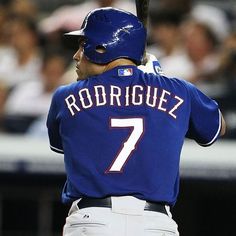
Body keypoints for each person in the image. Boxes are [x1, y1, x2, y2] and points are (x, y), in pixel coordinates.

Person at [47, 7, 226, 236]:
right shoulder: (178, 90)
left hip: (92, 222)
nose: (76, 55)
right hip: (154, 224)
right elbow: (217, 127)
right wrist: (158, 82)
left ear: (102, 48)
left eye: (83, 45)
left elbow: (62, 145)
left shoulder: (65, 96)